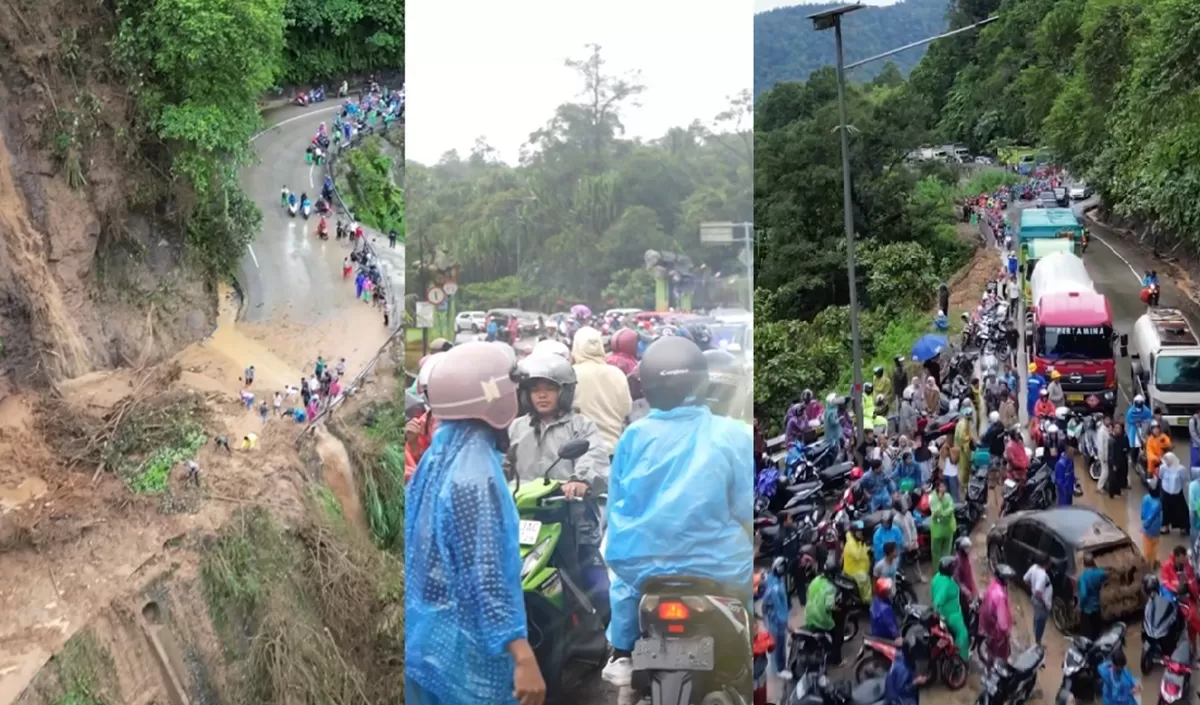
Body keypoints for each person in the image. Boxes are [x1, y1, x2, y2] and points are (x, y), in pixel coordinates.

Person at [601, 336, 752, 687]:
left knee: (622, 584)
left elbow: (617, 508)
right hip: (719, 566)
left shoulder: (633, 437)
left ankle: (623, 654)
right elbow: (747, 509)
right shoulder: (732, 434)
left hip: (640, 567)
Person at [405, 342, 547, 705]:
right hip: (463, 653)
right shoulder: (476, 474)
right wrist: (521, 652)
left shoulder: (436, 456)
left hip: (426, 641)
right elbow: (485, 573)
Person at [504, 354, 610, 596]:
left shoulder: (581, 426)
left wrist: (580, 481)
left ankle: (594, 628)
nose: (542, 395)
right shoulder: (516, 428)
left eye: (550, 389)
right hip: (523, 519)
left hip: (571, 518)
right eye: (535, 389)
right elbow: (502, 464)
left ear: (565, 391)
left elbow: (593, 456)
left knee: (597, 586)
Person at [570, 326, 633, 457]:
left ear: (576, 347)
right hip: (613, 450)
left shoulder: (571, 374)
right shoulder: (617, 373)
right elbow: (627, 409)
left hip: (581, 452)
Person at [804, 555, 844, 666]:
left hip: (809, 615)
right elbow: (829, 606)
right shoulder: (831, 588)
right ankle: (837, 661)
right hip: (822, 620)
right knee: (838, 635)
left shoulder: (816, 580)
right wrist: (838, 608)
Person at [931, 556, 969, 661]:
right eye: (953, 568)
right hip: (951, 615)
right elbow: (938, 601)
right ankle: (961, 658)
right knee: (963, 634)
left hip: (944, 613)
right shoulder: (948, 585)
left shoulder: (937, 577)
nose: (954, 570)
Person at [979, 564, 1015, 666]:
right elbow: (1003, 625)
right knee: (1000, 657)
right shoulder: (1000, 596)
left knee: (991, 653)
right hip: (997, 634)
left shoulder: (993, 585)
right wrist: (1006, 633)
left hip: (989, 628)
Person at [762, 557, 791, 680]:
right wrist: (785, 623)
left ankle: (780, 667)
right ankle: (779, 669)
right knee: (778, 645)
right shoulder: (774, 588)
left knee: (779, 644)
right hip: (776, 621)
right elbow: (776, 608)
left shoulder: (774, 579)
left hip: (777, 619)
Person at [885, 630, 927, 705]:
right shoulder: (903, 670)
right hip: (898, 698)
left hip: (894, 686)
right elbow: (903, 690)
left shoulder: (900, 655)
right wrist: (916, 682)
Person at [894, 496, 926, 582]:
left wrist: (914, 540)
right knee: (900, 563)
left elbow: (913, 527)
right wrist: (906, 546)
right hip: (903, 546)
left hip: (912, 542)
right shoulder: (896, 520)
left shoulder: (908, 514)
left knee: (915, 560)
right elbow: (898, 536)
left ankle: (919, 577)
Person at [1077, 553, 1108, 640]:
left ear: (1084, 563)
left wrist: (1081, 606)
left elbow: (1083, 594)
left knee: (1087, 635)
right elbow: (1106, 573)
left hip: (1087, 611)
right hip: (1097, 608)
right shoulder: (1099, 574)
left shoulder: (1083, 577)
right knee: (1097, 632)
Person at [1024, 555, 1053, 645]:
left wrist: (1031, 587)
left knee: (1037, 617)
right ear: (1046, 564)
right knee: (1041, 622)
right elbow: (1038, 592)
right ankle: (1038, 642)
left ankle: (1035, 631)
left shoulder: (1034, 567)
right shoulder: (1042, 575)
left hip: (1035, 599)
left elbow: (1025, 579)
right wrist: (1044, 603)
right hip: (1041, 602)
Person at [929, 479, 956, 567]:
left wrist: (943, 513)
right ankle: (937, 571)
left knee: (947, 551)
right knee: (936, 553)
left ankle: (946, 568)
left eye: (944, 486)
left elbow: (952, 507)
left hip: (948, 528)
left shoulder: (948, 496)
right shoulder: (933, 498)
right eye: (941, 486)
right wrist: (941, 504)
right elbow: (936, 511)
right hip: (937, 530)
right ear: (937, 488)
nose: (943, 488)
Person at [1161, 451, 1190, 535]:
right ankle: (1165, 527)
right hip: (1166, 491)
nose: (1167, 462)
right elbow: (1161, 476)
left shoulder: (1181, 469)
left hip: (1177, 492)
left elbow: (1184, 479)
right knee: (1165, 510)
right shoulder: (1163, 467)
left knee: (1181, 510)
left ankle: (1183, 528)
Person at [844, 521, 872, 602]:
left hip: (860, 570)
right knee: (865, 590)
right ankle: (867, 605)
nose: (860, 533)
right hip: (854, 574)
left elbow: (862, 551)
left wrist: (868, 549)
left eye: (861, 531)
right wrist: (861, 542)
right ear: (853, 532)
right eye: (858, 531)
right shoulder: (851, 543)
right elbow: (857, 556)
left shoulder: (857, 541)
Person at [1125, 395, 1153, 468]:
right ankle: (1133, 460)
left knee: (1146, 444)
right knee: (1134, 445)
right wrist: (1135, 422)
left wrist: (1142, 422)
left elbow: (1149, 420)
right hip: (1134, 429)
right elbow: (1128, 420)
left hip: (1144, 429)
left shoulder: (1146, 411)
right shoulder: (1130, 412)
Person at [1142, 480, 1164, 565]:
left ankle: (1149, 561)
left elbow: (1143, 512)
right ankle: (1151, 562)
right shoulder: (1158, 503)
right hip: (1155, 529)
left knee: (1147, 546)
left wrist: (1144, 524)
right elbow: (1152, 517)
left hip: (1147, 528)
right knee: (1154, 546)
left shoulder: (1146, 497)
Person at [1107, 419, 1130, 497]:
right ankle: (1112, 495)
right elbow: (1110, 453)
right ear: (1113, 429)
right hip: (1113, 462)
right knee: (1113, 479)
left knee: (1119, 478)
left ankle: (1117, 492)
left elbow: (1125, 449)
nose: (1118, 430)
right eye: (1116, 428)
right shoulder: (1111, 439)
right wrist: (1113, 464)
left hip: (1120, 461)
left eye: (1119, 428)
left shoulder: (1122, 437)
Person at [952, 537, 976, 603]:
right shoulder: (958, 560)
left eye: (968, 547)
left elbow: (969, 575)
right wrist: (965, 591)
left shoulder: (965, 558)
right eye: (966, 548)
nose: (968, 550)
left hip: (968, 589)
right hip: (962, 594)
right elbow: (956, 579)